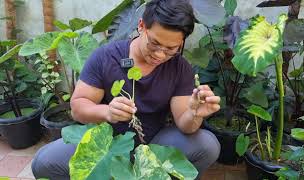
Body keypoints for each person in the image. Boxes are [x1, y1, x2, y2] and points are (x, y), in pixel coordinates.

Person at [31, 0, 221, 179]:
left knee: (208, 145)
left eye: (171, 48)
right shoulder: (106, 57)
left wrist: (195, 113)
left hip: (153, 142)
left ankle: (147, 173)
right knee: (44, 162)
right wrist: (108, 112)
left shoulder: (180, 68)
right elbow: (78, 108)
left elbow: (185, 124)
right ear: (141, 26)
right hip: (107, 143)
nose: (160, 54)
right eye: (154, 43)